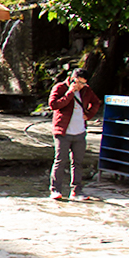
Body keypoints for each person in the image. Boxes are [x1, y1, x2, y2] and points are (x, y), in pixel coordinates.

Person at [48, 67, 102, 201]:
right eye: (78, 82)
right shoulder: (60, 88)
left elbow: (96, 102)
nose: (80, 86)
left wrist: (88, 115)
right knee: (60, 161)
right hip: (63, 131)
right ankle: (55, 189)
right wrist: (69, 93)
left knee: (77, 162)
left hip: (80, 132)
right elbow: (53, 105)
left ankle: (77, 190)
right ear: (72, 79)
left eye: (83, 83)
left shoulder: (86, 90)